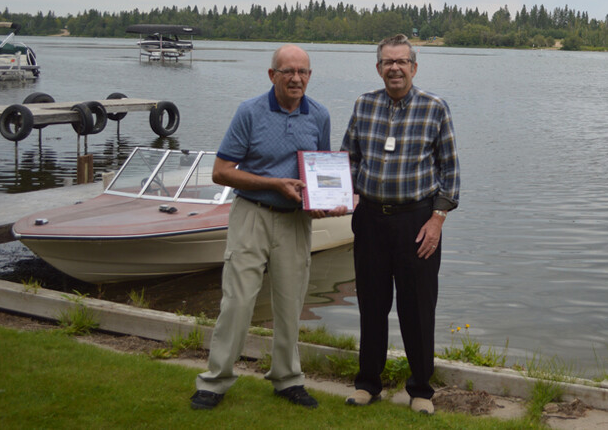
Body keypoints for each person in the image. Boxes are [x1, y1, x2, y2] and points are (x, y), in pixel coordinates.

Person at [190, 44, 347, 410]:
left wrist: (319, 204)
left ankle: (287, 379)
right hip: (252, 214)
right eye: (288, 71)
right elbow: (221, 172)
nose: (296, 78)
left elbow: (321, 169)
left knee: (291, 303)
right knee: (238, 301)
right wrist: (274, 184)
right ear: (272, 74)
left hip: (295, 222)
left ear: (310, 76)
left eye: (303, 72)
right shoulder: (250, 112)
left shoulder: (319, 115)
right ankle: (214, 381)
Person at [341, 34, 460, 414]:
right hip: (372, 219)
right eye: (388, 62)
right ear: (378, 68)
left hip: (417, 222)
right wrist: (350, 194)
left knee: (418, 308)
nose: (395, 68)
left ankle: (421, 389)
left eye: (402, 62)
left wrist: (437, 220)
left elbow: (450, 173)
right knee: (371, 305)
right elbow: (349, 159)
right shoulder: (364, 105)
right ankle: (368, 383)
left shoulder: (435, 108)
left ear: (414, 67)